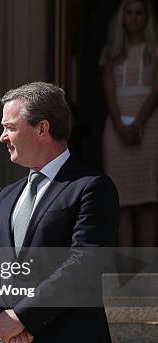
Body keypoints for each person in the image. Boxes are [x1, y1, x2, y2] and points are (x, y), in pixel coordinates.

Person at [0, 82, 118, 343]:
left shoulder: (90, 188)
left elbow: (83, 265)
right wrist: (2, 322)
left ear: (42, 128)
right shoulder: (4, 197)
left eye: (10, 128)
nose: (2, 137)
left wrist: (21, 317)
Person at [101, 0, 158, 246]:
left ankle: (147, 276)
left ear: (146, 18)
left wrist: (139, 123)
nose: (134, 18)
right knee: (121, 201)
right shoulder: (110, 51)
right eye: (129, 13)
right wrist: (120, 127)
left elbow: (156, 90)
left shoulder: (155, 49)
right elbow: (109, 93)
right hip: (116, 131)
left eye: (139, 13)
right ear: (122, 17)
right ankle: (127, 276)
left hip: (151, 127)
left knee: (148, 201)